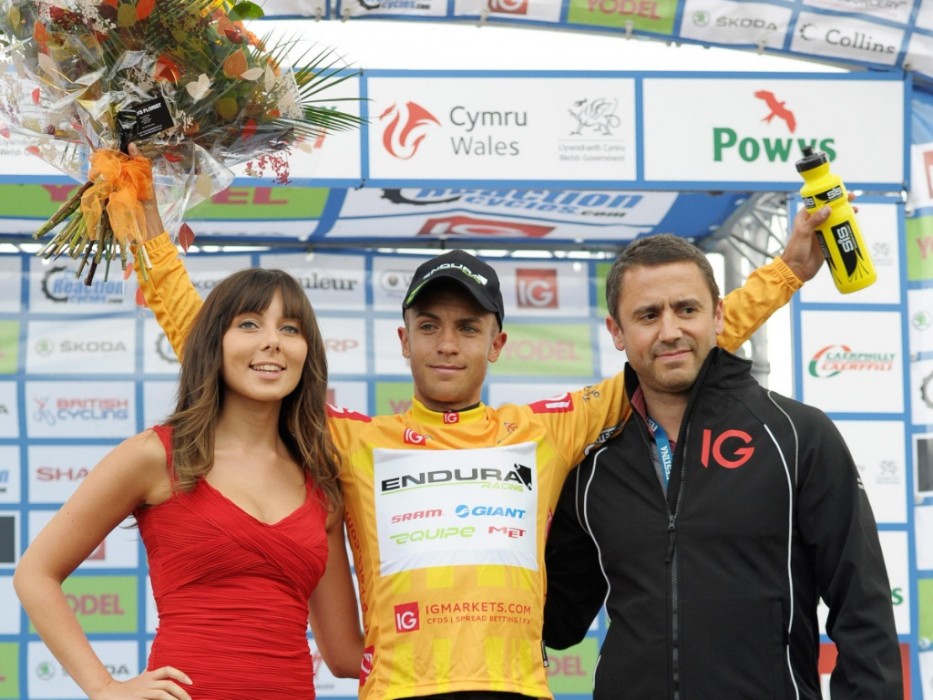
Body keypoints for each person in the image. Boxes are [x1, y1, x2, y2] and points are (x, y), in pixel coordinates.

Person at [133, 186, 830, 700]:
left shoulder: (544, 429)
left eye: (468, 328)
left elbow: (671, 346)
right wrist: (148, 236)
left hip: (517, 690)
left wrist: (787, 272)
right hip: (399, 692)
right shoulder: (351, 440)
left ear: (496, 343)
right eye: (430, 326)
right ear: (403, 340)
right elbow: (218, 350)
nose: (447, 344)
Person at [542, 234, 903, 699]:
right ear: (617, 331)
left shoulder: (796, 435)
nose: (669, 331)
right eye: (648, 315)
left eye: (686, 310)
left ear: (716, 315)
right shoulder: (592, 463)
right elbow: (559, 622)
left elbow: (862, 604)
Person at [14, 268, 363, 699]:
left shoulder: (321, 481)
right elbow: (35, 573)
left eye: (290, 328)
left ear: (308, 352)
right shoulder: (156, 455)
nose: (273, 340)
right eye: (249, 324)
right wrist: (103, 687)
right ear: (214, 342)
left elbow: (344, 655)